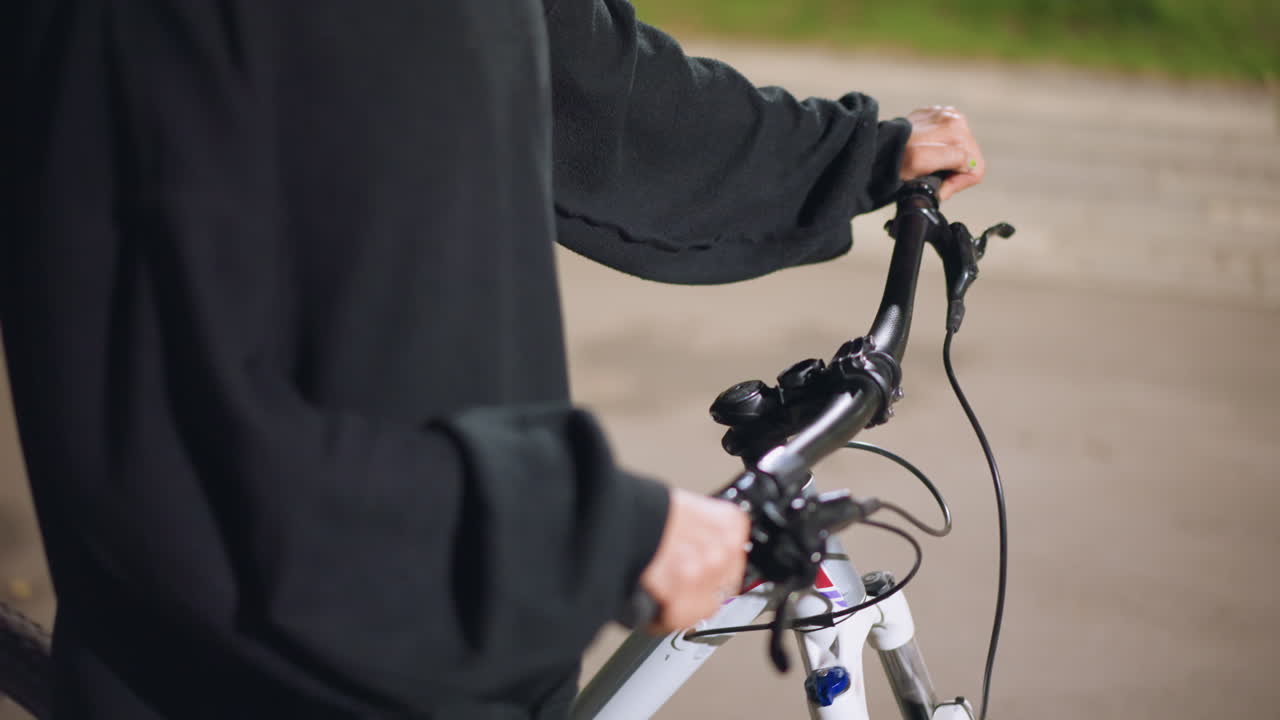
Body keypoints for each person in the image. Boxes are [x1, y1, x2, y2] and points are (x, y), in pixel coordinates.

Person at [0, 1, 984, 718]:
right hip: (263, 677)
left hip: (483, 659)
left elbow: (592, 89)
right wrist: (594, 533)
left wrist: (850, 155)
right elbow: (169, 465)